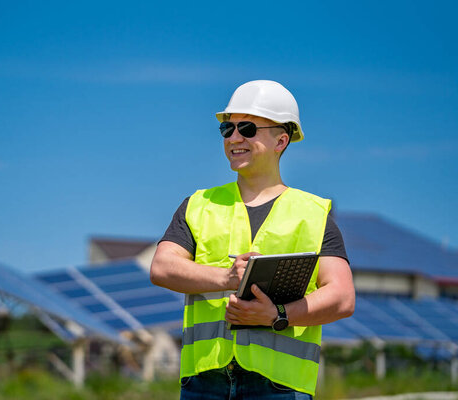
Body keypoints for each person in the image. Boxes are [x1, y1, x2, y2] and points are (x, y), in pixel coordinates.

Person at [150, 80, 355, 399]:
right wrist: (226, 277)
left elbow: (342, 296)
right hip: (203, 382)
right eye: (227, 129)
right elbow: (163, 267)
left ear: (281, 140)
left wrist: (278, 316)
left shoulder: (312, 213)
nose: (234, 138)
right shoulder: (198, 205)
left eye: (247, 128)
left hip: (280, 387)